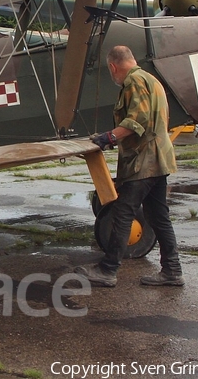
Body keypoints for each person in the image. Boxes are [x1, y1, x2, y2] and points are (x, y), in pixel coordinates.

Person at [74, 45, 184, 287]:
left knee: (123, 212)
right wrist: (112, 135)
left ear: (113, 67)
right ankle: (172, 270)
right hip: (159, 157)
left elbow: (137, 120)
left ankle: (108, 269)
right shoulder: (150, 79)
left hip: (144, 160)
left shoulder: (133, 82)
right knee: (157, 215)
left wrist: (108, 138)